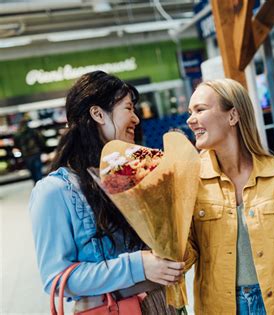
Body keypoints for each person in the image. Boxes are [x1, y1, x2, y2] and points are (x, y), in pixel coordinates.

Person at [29, 71, 183, 314]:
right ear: (98, 114)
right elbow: (56, 280)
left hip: (164, 303)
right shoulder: (55, 191)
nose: (136, 119)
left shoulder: (133, 173)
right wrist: (138, 266)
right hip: (115, 308)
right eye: (128, 108)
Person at [185, 78, 274, 314]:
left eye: (200, 109)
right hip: (221, 307)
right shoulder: (191, 179)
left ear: (233, 116)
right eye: (190, 112)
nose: (190, 120)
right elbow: (186, 255)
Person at [14, 115, 45, 184]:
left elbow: (16, 144)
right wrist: (41, 149)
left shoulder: (18, 134)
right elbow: (40, 141)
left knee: (32, 171)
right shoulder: (33, 131)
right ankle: (39, 184)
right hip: (35, 153)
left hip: (27, 155)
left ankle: (36, 183)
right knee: (38, 170)